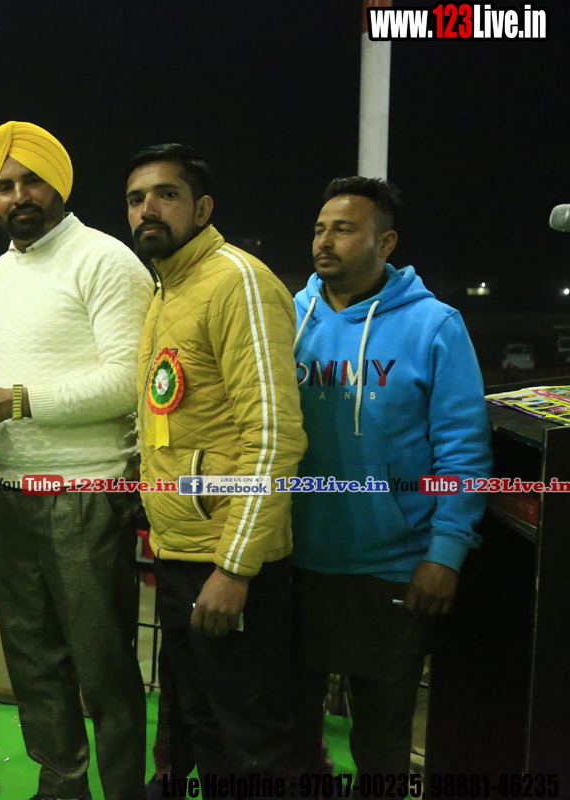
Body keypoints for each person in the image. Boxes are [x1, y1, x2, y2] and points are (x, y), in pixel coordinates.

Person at [0, 121, 152, 800]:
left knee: (103, 670)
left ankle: (123, 792)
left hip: (86, 494)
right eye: (4, 185)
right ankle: (61, 788)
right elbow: (8, 373)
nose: (18, 195)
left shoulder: (105, 260)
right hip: (12, 492)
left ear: (59, 184)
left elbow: (127, 382)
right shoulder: (0, 273)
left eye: (32, 180)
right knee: (34, 667)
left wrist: (12, 401)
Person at [288, 177, 491, 778]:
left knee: (381, 742)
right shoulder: (287, 316)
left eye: (343, 229)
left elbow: (462, 449)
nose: (324, 241)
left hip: (391, 566)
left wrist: (446, 552)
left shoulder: (435, 325)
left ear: (386, 242)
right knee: (289, 735)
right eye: (319, 229)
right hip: (292, 561)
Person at [125, 143, 305, 782]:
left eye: (166, 194)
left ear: (202, 208)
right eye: (136, 199)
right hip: (179, 554)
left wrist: (234, 569)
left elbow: (275, 438)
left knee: (252, 744)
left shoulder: (238, 282)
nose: (148, 209)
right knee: (202, 728)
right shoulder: (167, 290)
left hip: (229, 563)